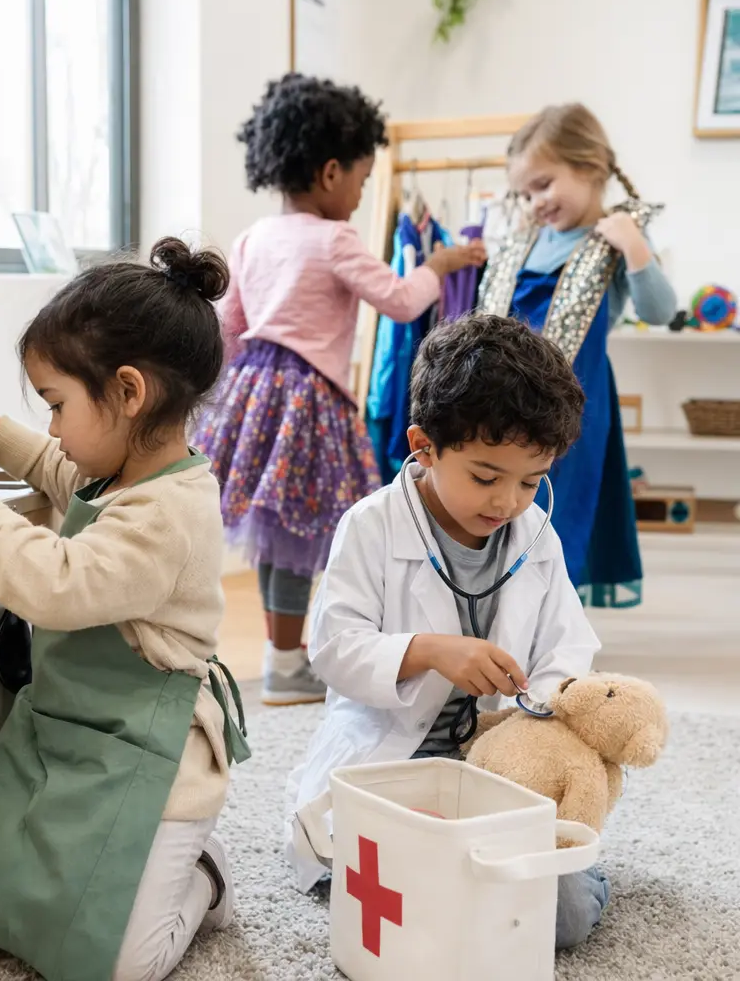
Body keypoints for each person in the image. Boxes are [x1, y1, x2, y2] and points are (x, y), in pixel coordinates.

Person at [0, 238, 250, 981]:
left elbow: (59, 582)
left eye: (57, 404)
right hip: (85, 737)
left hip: (157, 762)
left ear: (128, 392)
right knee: (8, 901)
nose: (53, 428)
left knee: (121, 967)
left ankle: (206, 877)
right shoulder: (119, 472)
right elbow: (55, 466)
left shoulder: (170, 513)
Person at [285, 315, 609, 950]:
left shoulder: (536, 539)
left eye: (531, 480)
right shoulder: (371, 526)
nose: (507, 502)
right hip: (392, 762)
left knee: (563, 919)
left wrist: (536, 712)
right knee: (372, 882)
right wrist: (429, 651)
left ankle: (567, 872)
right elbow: (333, 649)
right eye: (486, 476)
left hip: (493, 763)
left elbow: (569, 648)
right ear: (424, 445)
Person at [192, 72, 485, 706]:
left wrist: (216, 404)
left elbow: (231, 331)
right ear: (330, 172)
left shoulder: (251, 238)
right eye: (361, 178)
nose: (360, 192)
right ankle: (287, 667)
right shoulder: (335, 238)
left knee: (277, 534)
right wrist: (436, 266)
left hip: (252, 392)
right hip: (308, 400)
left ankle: (282, 657)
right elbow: (402, 303)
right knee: (298, 536)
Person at [479, 102, 677, 608]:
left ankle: (551, 623)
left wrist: (634, 246)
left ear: (590, 168)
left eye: (544, 184)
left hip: (576, 402)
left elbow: (660, 310)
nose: (536, 202)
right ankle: (498, 611)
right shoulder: (524, 241)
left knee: (561, 509)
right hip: (505, 398)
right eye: (526, 192)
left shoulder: (613, 237)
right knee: (501, 503)